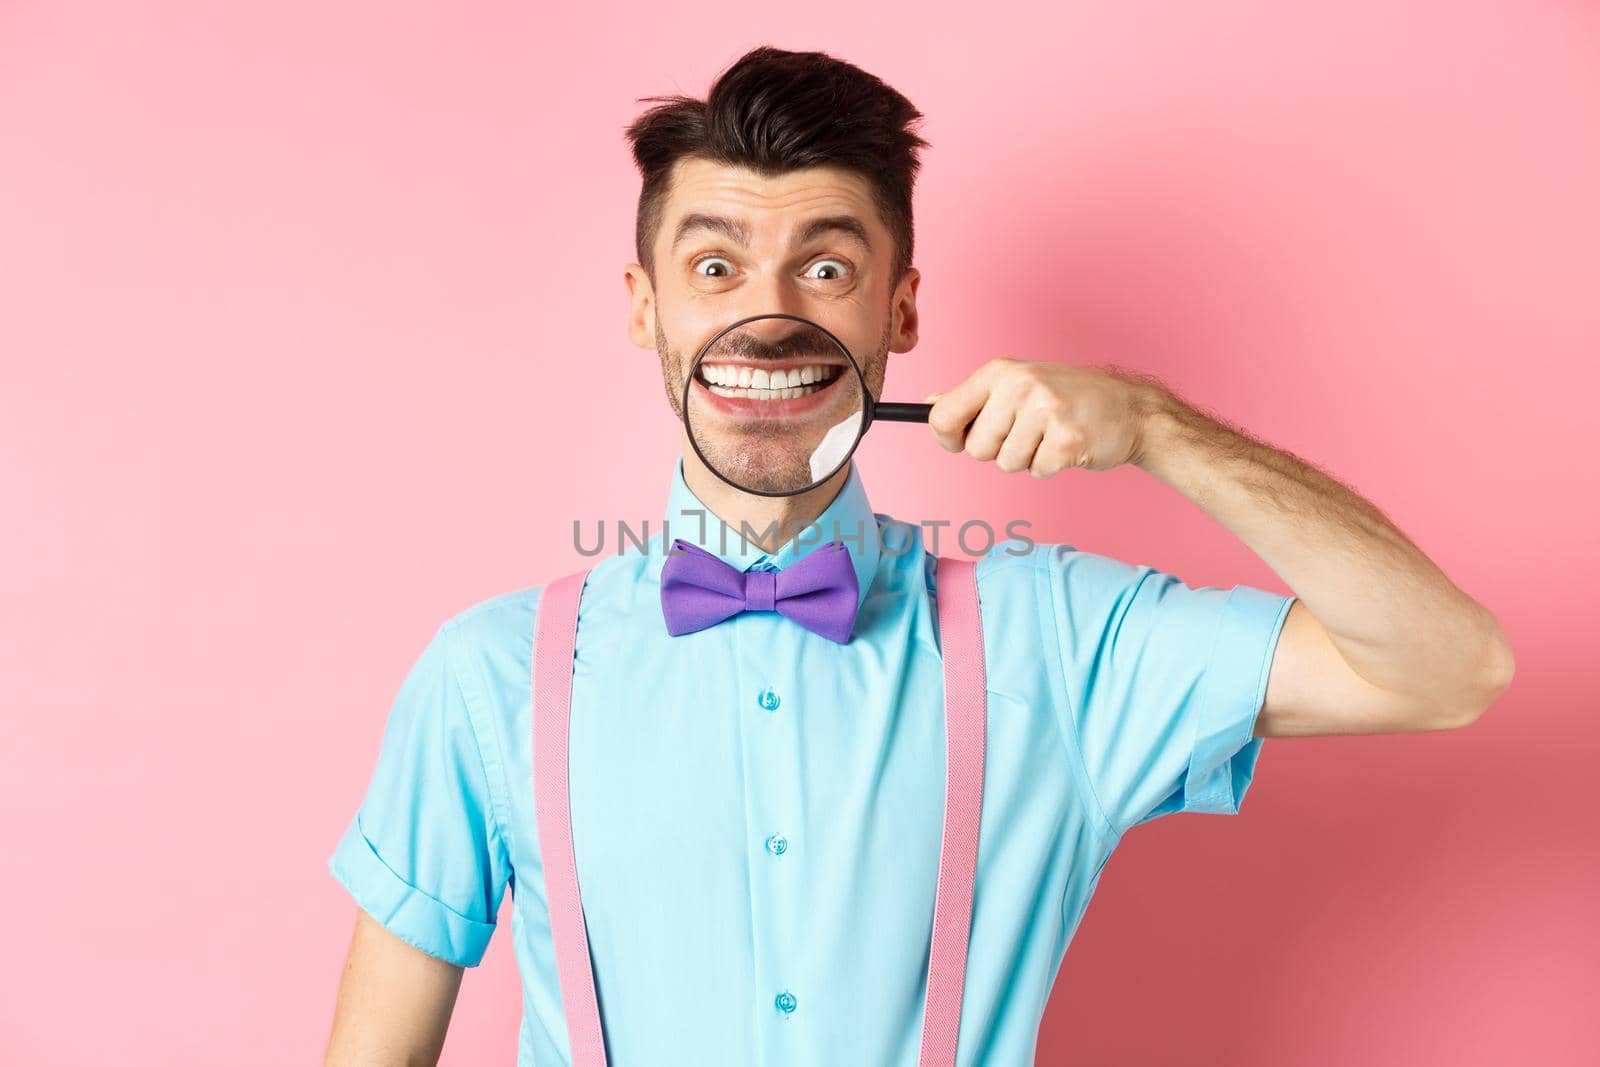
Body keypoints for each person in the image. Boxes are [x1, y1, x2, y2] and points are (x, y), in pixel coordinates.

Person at [322, 45, 1515, 1067]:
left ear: (898, 311)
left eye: (827, 268)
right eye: (714, 266)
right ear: (646, 307)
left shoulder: (1057, 640)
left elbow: (1446, 667)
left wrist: (1160, 428)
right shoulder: (487, 676)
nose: (771, 310)